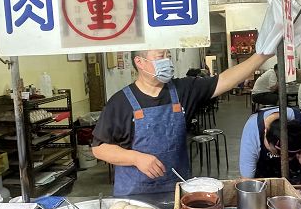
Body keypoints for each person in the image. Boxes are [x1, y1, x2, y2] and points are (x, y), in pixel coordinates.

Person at [92, 48, 274, 195]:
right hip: (135, 195)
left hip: (178, 189)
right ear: (139, 62)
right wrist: (136, 158)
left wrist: (263, 54)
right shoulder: (120, 102)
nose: (167, 61)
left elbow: (226, 79)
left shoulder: (183, 90)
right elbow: (99, 148)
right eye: (160, 56)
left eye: (168, 56)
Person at [239, 107, 301, 184]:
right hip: (263, 173)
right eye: (275, 152)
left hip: (292, 171)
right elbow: (247, 181)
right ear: (265, 132)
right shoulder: (252, 131)